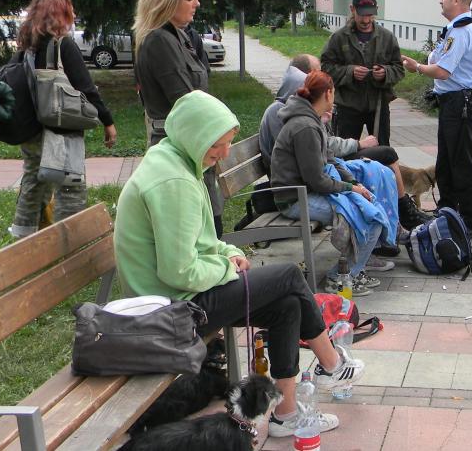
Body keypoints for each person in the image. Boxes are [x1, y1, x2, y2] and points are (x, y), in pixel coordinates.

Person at [114, 90, 365, 438]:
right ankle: (331, 363)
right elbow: (178, 271)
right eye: (219, 143)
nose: (226, 152)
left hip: (179, 297)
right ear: (195, 134)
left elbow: (200, 239)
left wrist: (224, 252)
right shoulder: (173, 182)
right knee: (290, 276)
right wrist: (227, 269)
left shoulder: (176, 160)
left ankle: (286, 414)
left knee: (288, 304)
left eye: (229, 142)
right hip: (172, 309)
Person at [259, 55, 431, 230]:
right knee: (367, 201)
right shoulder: (295, 118)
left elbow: (324, 153)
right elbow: (311, 164)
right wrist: (357, 148)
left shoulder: (306, 113)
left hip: (313, 177)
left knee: (377, 176)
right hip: (299, 190)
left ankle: (396, 224)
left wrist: (353, 185)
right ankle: (392, 227)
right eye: (318, 72)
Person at [270, 71, 398, 296]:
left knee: (369, 207)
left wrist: (355, 183)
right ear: (328, 93)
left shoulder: (312, 120)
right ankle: (338, 279)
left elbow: (331, 159)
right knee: (370, 218)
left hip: (309, 191)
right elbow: (317, 180)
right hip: (295, 198)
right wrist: (350, 190)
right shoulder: (305, 126)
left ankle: (352, 271)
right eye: (334, 92)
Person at [7, 0, 117, 238]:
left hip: (30, 130)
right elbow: (85, 86)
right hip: (60, 130)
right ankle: (67, 243)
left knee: (33, 181)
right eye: (70, 10)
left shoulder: (27, 46)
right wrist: (107, 121)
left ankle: (24, 239)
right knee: (70, 186)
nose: (75, 14)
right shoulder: (62, 45)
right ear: (60, 14)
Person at [132, 0, 226, 235]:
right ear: (167, 1)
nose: (196, 3)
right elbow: (186, 104)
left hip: (192, 150)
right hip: (180, 153)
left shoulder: (177, 37)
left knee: (209, 231)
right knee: (198, 235)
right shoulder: (160, 41)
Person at [401, 0, 472, 238]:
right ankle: (448, 211)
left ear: (458, 1)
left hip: (461, 102)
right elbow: (437, 58)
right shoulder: (454, 29)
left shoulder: (462, 31)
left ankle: (470, 221)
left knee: (462, 163)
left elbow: (442, 70)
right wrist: (426, 63)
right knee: (447, 162)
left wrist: (416, 68)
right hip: (453, 102)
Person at [321, 0, 404, 146]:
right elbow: (325, 68)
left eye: (370, 15)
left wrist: (385, 73)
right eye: (362, 15)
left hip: (378, 105)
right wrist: (350, 71)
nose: (366, 20)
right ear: (352, 9)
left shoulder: (387, 37)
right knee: (345, 152)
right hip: (348, 106)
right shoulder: (338, 38)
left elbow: (399, 69)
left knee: (382, 152)